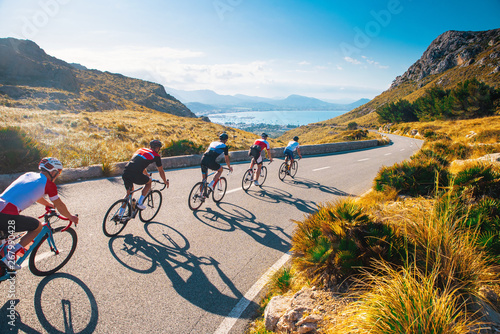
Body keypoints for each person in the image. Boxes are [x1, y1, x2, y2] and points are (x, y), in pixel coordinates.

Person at [0, 157, 79, 271]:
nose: (58, 175)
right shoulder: (49, 185)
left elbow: (35, 195)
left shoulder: (29, 175)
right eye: (59, 172)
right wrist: (71, 217)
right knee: (37, 227)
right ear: (53, 172)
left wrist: (48, 204)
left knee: (3, 241)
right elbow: (60, 205)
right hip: (6, 214)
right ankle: (10, 256)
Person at [122, 140, 169, 211]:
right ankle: (139, 203)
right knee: (149, 182)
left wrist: (146, 174)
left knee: (129, 194)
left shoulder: (141, 149)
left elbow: (138, 163)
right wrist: (165, 181)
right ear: (157, 148)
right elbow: (161, 171)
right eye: (159, 148)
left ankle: (120, 215)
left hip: (126, 172)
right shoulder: (156, 156)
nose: (159, 150)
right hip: (136, 174)